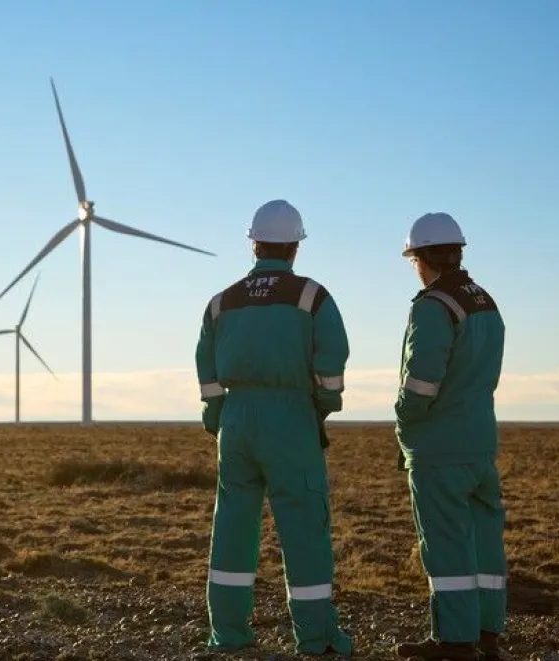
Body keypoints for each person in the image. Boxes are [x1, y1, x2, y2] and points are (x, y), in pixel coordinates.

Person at [195, 199, 353, 657]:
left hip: (236, 422)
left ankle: (228, 632)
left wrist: (216, 416)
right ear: (294, 248)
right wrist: (321, 406)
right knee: (303, 527)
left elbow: (205, 365)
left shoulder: (221, 301)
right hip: (291, 418)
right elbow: (331, 363)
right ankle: (316, 638)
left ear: (253, 243)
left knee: (232, 528)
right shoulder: (312, 297)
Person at [392, 212, 510, 661]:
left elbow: (422, 380)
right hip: (479, 440)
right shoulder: (484, 302)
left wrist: (404, 418)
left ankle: (454, 640)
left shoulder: (433, 305)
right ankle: (487, 633)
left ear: (421, 257)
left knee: (445, 543)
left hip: (438, 445)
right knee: (484, 541)